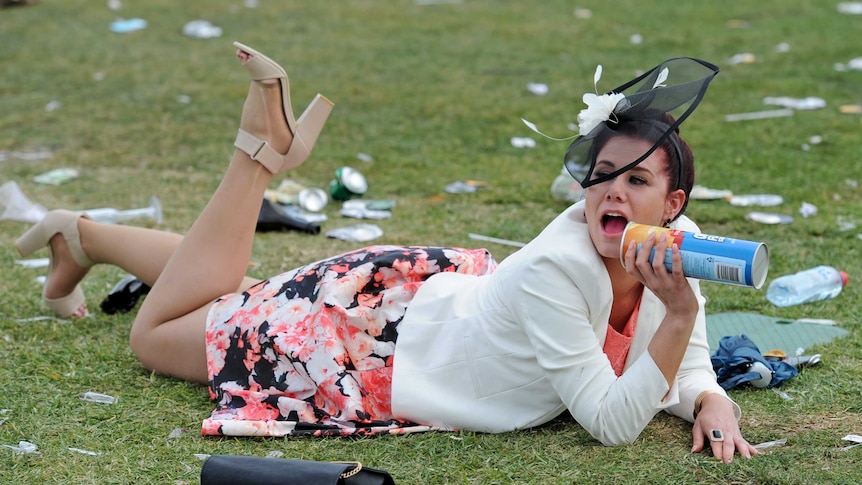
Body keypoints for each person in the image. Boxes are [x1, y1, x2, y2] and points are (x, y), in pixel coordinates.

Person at [14, 45, 757, 463]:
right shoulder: (558, 268)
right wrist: (682, 314)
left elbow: (681, 361)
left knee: (235, 297)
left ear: (675, 205)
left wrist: (710, 396)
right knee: (152, 336)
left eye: (636, 180)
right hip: (367, 342)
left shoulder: (681, 249)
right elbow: (611, 418)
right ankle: (257, 155)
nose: (611, 195)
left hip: (415, 303)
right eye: (601, 177)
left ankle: (78, 235)